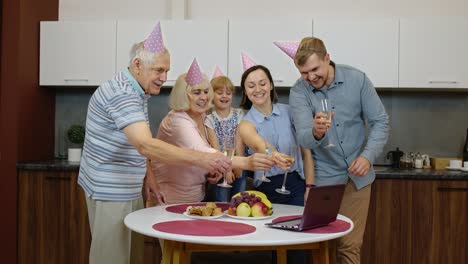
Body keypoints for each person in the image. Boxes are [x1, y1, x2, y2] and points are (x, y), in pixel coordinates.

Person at [77, 23, 231, 264]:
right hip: (110, 190)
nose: (164, 77)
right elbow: (145, 145)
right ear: (138, 65)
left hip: (127, 185)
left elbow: (134, 145)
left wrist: (149, 176)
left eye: (166, 70)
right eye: (159, 70)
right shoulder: (123, 94)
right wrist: (204, 158)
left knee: (131, 256)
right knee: (111, 258)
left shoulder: (138, 91)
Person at [288, 37, 390, 264]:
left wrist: (367, 156)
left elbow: (380, 122)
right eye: (304, 72)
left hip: (358, 178)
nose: (311, 77)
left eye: (315, 69)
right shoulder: (299, 91)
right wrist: (315, 132)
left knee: (350, 247)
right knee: (320, 246)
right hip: (324, 180)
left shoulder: (357, 79)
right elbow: (304, 136)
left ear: (327, 58)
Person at [150, 59, 274, 205]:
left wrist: (211, 171)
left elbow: (198, 158)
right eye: (196, 92)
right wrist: (247, 162)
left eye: (206, 91)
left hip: (195, 196)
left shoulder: (202, 115)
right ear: (183, 95)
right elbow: (203, 152)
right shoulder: (177, 121)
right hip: (169, 199)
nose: (204, 97)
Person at [237, 63, 314, 264]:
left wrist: (310, 186)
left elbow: (306, 150)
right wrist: (274, 155)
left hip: (296, 185)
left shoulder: (290, 112)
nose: (258, 89)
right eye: (251, 86)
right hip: (268, 189)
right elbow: (258, 143)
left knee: (298, 242)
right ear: (245, 92)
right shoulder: (246, 123)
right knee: (276, 243)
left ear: (271, 85)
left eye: (262, 83)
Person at [205, 75, 247, 202]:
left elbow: (239, 140)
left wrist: (239, 165)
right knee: (222, 201)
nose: (225, 96)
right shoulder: (209, 119)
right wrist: (227, 170)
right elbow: (215, 147)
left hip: (239, 163)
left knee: (240, 201)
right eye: (219, 93)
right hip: (221, 166)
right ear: (212, 96)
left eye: (228, 93)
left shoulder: (239, 114)